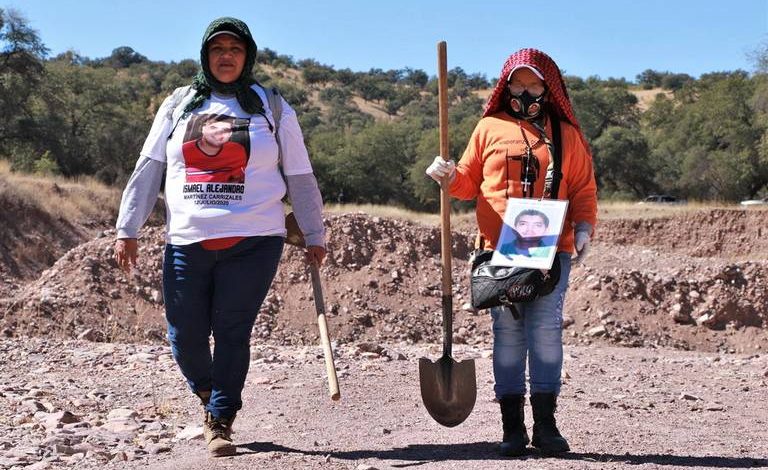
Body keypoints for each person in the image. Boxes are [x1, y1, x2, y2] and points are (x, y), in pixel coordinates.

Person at [113, 17, 326, 457]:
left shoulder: (271, 105)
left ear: (248, 55)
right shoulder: (179, 103)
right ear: (205, 56)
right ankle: (210, 394)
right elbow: (149, 168)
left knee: (232, 329)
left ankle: (221, 417)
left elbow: (300, 174)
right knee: (184, 334)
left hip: (254, 238)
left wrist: (313, 230)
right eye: (217, 49)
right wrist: (127, 228)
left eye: (235, 48)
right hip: (187, 238)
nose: (225, 56)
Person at [426, 48, 597, 456]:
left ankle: (547, 426)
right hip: (500, 250)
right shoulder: (489, 127)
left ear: (548, 87)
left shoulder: (566, 134)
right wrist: (448, 177)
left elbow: (583, 189)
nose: (525, 91)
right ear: (506, 86)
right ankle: (512, 429)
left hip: (551, 247)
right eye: (517, 83)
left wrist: (586, 226)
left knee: (545, 334)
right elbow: (468, 184)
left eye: (533, 83)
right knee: (507, 336)